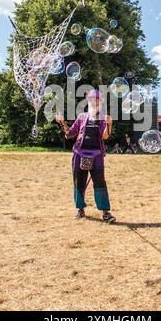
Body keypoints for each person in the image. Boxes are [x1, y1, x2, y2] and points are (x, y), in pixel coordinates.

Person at [55, 90, 116, 223]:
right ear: (88, 101)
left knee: (100, 183)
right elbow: (69, 134)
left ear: (101, 102)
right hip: (79, 153)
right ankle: (80, 210)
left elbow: (105, 136)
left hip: (97, 155)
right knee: (79, 183)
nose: (95, 101)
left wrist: (109, 124)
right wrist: (62, 122)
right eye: (92, 99)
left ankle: (106, 213)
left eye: (98, 99)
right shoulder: (82, 117)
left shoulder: (103, 118)